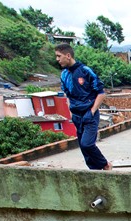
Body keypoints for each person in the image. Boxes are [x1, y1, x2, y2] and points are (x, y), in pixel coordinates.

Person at [55, 43, 112, 171]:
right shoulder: (64, 75)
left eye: (59, 56)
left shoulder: (85, 71)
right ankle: (94, 172)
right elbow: (67, 95)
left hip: (88, 113)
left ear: (68, 55)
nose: (57, 59)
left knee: (87, 144)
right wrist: (71, 112)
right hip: (76, 115)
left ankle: (106, 165)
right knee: (83, 148)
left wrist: (92, 111)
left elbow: (101, 93)